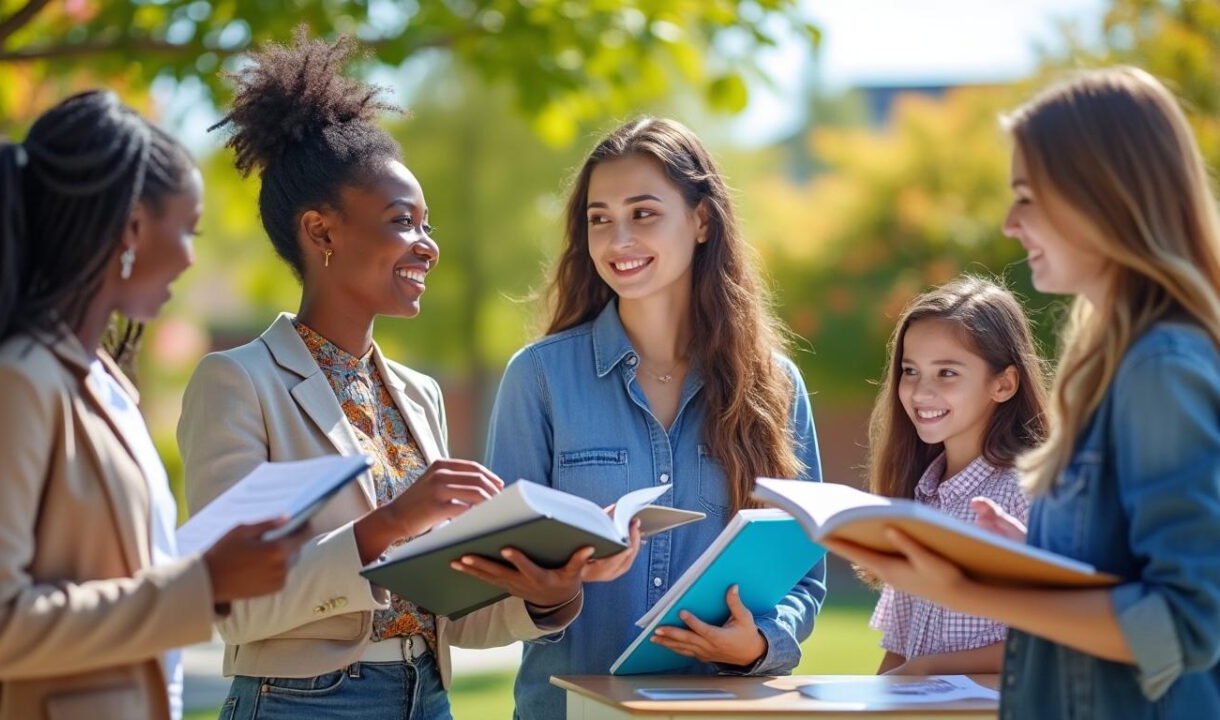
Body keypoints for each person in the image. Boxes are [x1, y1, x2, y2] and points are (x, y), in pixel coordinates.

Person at [178, 33, 587, 720]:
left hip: (426, 697)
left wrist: (548, 596)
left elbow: (447, 617)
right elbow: (232, 604)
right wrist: (392, 522)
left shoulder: (419, 397)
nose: (427, 246)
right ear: (321, 232)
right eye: (403, 222)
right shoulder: (237, 383)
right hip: (299, 704)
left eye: (427, 225)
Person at [832, 67, 1220, 719]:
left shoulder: (1162, 367)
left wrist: (970, 587)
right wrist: (1036, 554)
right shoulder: (1117, 364)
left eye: (1028, 196)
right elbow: (1126, 575)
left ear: (1103, 197)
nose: (1011, 223)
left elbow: (1186, 624)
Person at [0, 90, 303, 720]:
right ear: (132, 227)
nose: (193, 255)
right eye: (189, 228)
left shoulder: (103, 383)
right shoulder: (16, 386)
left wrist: (209, 571)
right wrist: (204, 584)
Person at [483, 117, 826, 719]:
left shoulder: (775, 386)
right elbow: (499, 572)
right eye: (599, 218)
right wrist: (558, 584)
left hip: (722, 710)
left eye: (643, 213)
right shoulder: (538, 380)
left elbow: (803, 575)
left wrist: (760, 645)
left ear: (700, 221)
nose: (618, 240)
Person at [864, 276, 1046, 675]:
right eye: (910, 371)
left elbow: (1051, 637)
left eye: (947, 373)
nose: (920, 391)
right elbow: (898, 650)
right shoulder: (919, 497)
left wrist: (929, 667)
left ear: (1004, 383)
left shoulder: (1028, 494)